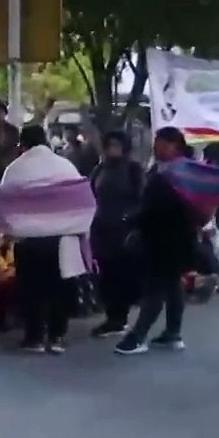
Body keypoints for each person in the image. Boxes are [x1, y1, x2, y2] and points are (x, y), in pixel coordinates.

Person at [0, 124, 96, 354]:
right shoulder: (64, 166)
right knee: (59, 288)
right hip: (62, 242)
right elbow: (83, 197)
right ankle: (57, 336)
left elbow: (0, 201)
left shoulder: (16, 169)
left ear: (23, 144)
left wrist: (10, 230)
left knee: (31, 290)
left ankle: (34, 338)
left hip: (29, 242)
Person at [115, 127, 200, 355]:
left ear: (175, 145)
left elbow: (157, 207)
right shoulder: (173, 169)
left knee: (156, 287)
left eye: (162, 142)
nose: (157, 146)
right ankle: (173, 333)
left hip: (167, 238)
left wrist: (133, 218)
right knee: (172, 285)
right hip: (173, 237)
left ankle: (137, 336)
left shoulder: (176, 173)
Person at [88, 130, 145, 337]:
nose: (113, 149)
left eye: (117, 145)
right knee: (105, 274)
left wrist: (129, 218)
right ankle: (111, 314)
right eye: (110, 145)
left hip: (124, 230)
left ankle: (119, 318)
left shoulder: (133, 169)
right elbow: (90, 193)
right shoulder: (100, 169)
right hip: (101, 229)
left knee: (122, 274)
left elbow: (142, 199)